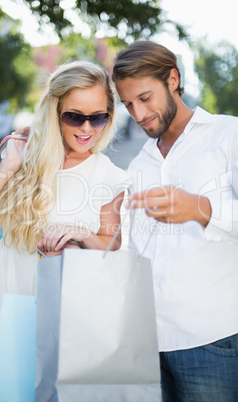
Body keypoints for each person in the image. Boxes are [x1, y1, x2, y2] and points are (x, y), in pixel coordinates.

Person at [0, 60, 131, 397]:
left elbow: (112, 244)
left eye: (98, 117)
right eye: (75, 116)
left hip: (69, 313)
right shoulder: (22, 158)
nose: (87, 128)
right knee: (14, 389)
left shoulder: (109, 175)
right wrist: (11, 166)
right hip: (14, 302)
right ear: (53, 110)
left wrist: (81, 234)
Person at [112, 40, 238, 401]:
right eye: (128, 104)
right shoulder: (140, 163)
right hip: (148, 345)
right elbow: (135, 252)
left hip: (212, 341)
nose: (137, 114)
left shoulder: (229, 136)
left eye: (145, 98)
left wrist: (200, 209)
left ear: (172, 79)